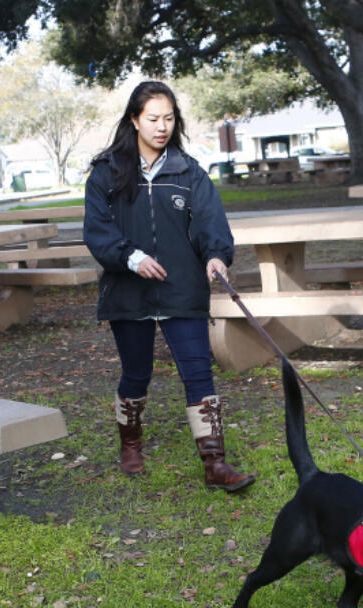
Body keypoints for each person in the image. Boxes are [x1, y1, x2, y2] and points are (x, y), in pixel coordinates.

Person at [83, 81, 255, 492]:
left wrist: (216, 254)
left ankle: (215, 463)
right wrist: (132, 258)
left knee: (199, 374)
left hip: (183, 289)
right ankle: (130, 446)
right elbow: (97, 230)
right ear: (134, 120)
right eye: (153, 118)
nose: (162, 127)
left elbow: (210, 221)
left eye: (169, 118)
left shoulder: (188, 170)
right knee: (136, 374)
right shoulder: (107, 172)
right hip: (129, 292)